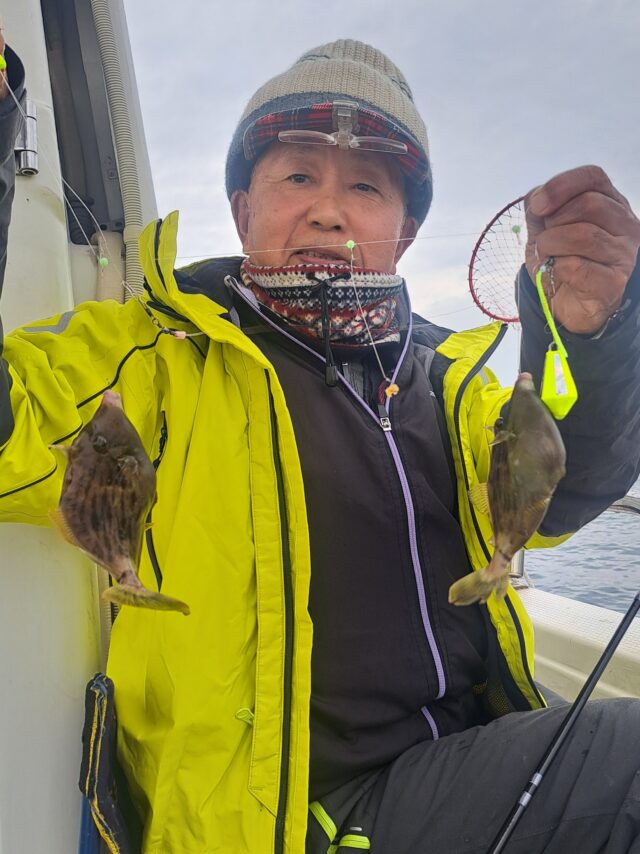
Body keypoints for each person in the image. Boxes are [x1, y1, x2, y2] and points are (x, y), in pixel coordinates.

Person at [1, 34, 640, 854]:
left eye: (366, 186)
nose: (328, 210)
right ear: (244, 211)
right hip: (286, 813)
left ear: (404, 232)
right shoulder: (152, 352)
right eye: (298, 176)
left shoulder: (449, 381)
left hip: (461, 762)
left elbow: (561, 494)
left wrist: (596, 338)